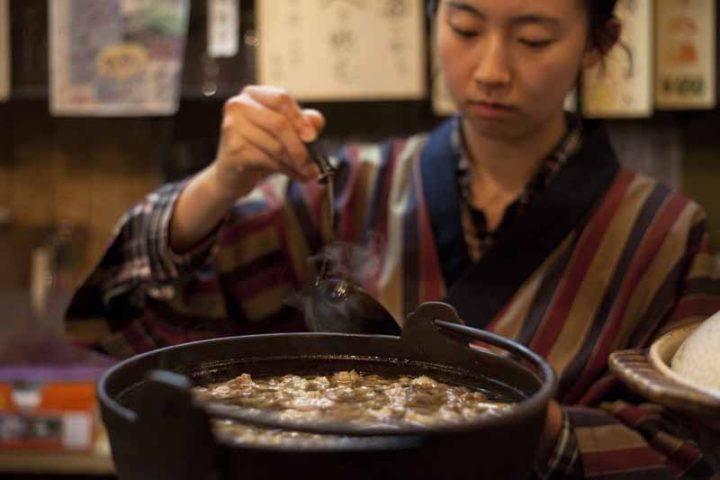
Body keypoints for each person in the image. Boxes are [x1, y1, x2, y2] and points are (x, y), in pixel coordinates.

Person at [67, 0, 720, 477]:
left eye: (533, 38)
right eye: (464, 28)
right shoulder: (343, 192)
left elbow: (691, 449)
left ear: (593, 43)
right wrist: (220, 181)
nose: (491, 68)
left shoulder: (663, 232)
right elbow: (126, 323)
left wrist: (507, 421)